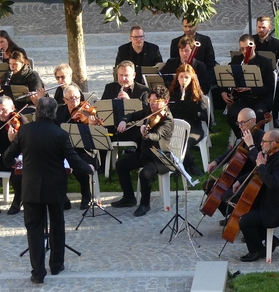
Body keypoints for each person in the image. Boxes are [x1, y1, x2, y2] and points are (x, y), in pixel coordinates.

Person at [2, 97, 94, 284]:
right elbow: (74, 160)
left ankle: (37, 272)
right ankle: (56, 265)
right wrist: (88, 168)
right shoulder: (60, 134)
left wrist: (14, 163)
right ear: (54, 113)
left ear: (36, 112)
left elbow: (8, 156)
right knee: (57, 225)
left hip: (31, 187)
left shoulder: (25, 131)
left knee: (34, 229)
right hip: (55, 186)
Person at [110, 85, 174, 217]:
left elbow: (156, 136)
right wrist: (124, 120)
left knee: (145, 174)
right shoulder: (148, 111)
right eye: (150, 100)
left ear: (165, 102)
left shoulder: (167, 119)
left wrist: (145, 134)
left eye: (156, 102)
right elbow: (133, 114)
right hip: (145, 153)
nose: (152, 105)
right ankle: (129, 198)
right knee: (120, 165)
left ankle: (145, 204)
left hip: (159, 157)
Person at [238, 130, 279, 262]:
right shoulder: (270, 155)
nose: (261, 144)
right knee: (247, 213)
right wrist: (240, 181)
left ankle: (257, 250)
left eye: (263, 142)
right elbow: (258, 172)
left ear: (273, 143)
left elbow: (273, 183)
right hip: (269, 202)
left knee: (245, 221)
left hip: (277, 207)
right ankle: (271, 241)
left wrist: (261, 165)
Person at [205, 108, 264, 225]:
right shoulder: (246, 135)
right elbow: (232, 152)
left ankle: (242, 220)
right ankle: (232, 215)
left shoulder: (261, 138)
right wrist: (216, 161)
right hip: (238, 176)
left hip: (250, 178)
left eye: (243, 122)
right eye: (238, 123)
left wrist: (251, 145)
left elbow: (260, 163)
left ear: (253, 120)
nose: (240, 126)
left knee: (226, 196)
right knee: (209, 187)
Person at [55, 84, 101, 210]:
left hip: (85, 150)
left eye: (76, 97)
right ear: (64, 100)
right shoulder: (59, 112)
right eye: (70, 98)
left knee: (79, 165)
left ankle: (86, 194)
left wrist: (92, 126)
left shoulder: (87, 111)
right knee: (53, 164)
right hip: (64, 149)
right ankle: (63, 198)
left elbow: (96, 136)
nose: (74, 100)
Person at [221, 34, 274, 139]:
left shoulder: (265, 63)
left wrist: (250, 88)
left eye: (247, 48)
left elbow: (269, 87)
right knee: (231, 115)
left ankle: (257, 140)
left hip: (260, 99)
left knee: (258, 116)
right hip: (243, 99)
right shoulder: (237, 60)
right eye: (242, 49)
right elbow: (225, 77)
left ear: (254, 46)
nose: (245, 51)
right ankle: (242, 138)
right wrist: (223, 92)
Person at [167, 64, 208, 175]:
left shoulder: (196, 94)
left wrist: (192, 109)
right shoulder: (172, 93)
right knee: (169, 142)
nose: (183, 80)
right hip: (176, 128)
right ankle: (188, 164)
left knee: (183, 143)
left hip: (194, 129)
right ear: (177, 78)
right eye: (181, 77)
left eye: (187, 77)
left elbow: (204, 116)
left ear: (191, 79)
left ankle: (188, 165)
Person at [253, 15, 279, 128]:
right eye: (259, 27)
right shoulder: (251, 41)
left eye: (263, 27)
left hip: (270, 76)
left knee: (278, 89)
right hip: (254, 74)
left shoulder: (277, 44)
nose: (260, 30)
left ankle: (275, 116)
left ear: (269, 27)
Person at [170, 18, 217, 88]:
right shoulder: (175, 42)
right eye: (185, 26)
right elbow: (173, 63)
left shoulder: (205, 40)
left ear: (197, 25)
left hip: (200, 80)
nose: (187, 29)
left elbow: (210, 63)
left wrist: (205, 82)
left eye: (190, 26)